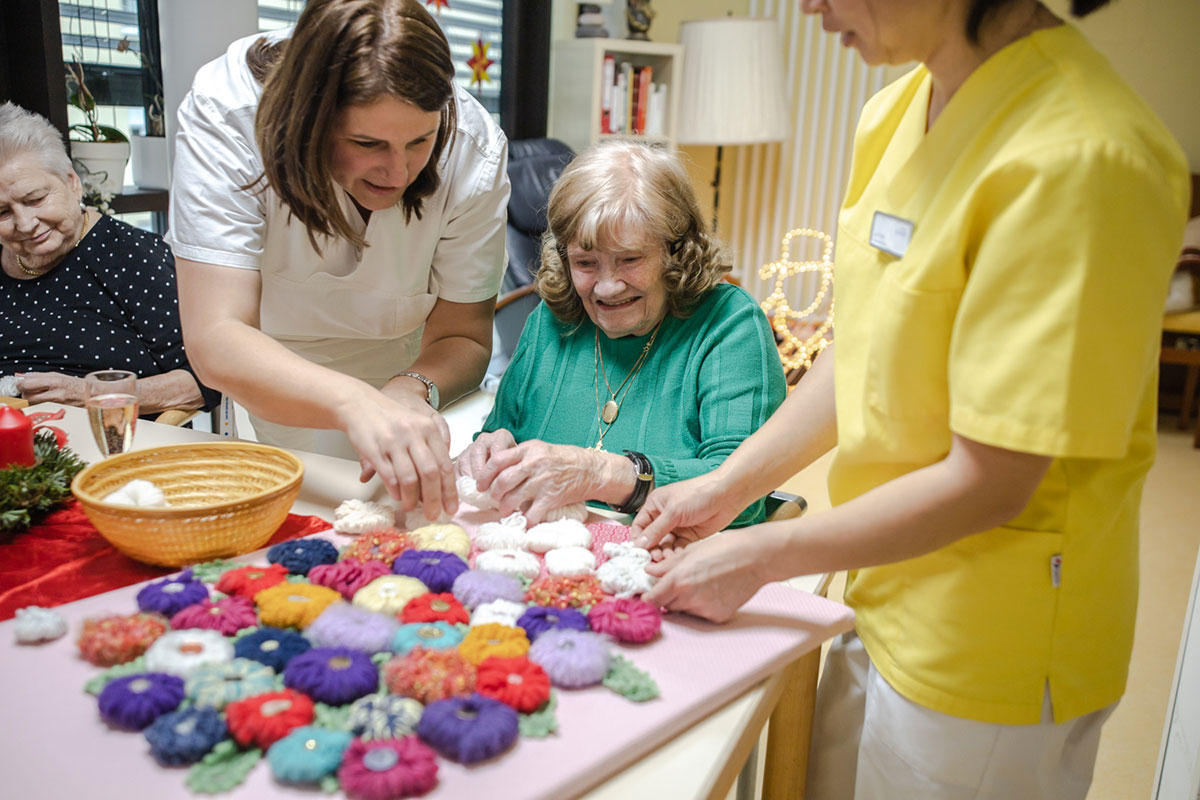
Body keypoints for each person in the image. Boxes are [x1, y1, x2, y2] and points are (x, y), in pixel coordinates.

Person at [631, 1, 1190, 797]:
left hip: (993, 635)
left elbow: (992, 478)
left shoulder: (1086, 158)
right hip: (878, 577)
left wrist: (764, 555)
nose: (810, 6)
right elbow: (863, 347)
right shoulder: (897, 109)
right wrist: (729, 488)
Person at [168, 0, 509, 520]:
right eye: (367, 143)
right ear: (308, 120)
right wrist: (356, 404)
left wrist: (405, 393)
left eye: (420, 141)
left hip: (408, 374)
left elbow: (464, 335)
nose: (397, 172)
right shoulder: (229, 112)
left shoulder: (473, 148)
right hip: (271, 376)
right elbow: (216, 334)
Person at [457, 140, 786, 526]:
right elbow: (499, 434)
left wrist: (602, 474)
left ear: (675, 250)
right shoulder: (551, 319)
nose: (607, 287)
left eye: (630, 259)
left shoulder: (729, 324)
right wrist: (485, 451)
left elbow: (742, 497)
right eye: (585, 262)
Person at [0, 103, 216, 414]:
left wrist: (93, 394)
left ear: (73, 183)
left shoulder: (132, 255)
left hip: (107, 442)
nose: (25, 223)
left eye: (35, 199)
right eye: (3, 211)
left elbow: (208, 380)